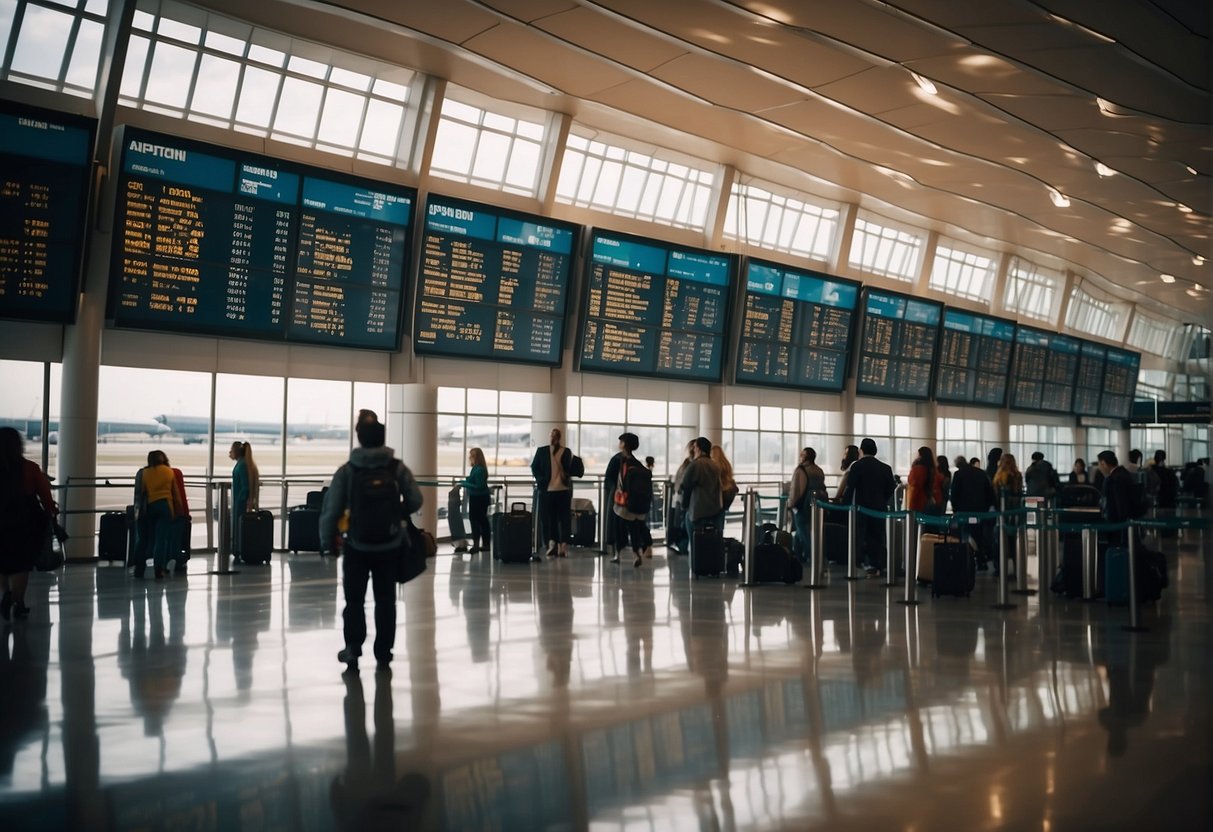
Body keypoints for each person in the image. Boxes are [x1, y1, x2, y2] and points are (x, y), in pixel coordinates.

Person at [321, 419, 423, 673]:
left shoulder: (348, 470)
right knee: (385, 600)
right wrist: (398, 512)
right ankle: (384, 652)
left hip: (356, 545)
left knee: (354, 600)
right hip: (389, 545)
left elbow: (331, 509)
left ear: (360, 439)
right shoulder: (396, 468)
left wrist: (326, 541)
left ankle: (353, 648)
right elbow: (416, 499)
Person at [0, 427, 58, 621]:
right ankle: (19, 603)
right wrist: (51, 509)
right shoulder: (30, 467)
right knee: (21, 565)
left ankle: (6, 594)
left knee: (3, 564)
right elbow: (44, 495)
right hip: (24, 522)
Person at [838, 438, 896, 575]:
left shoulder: (857, 466)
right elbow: (890, 488)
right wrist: (882, 500)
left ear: (861, 450)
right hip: (879, 508)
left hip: (861, 508)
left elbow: (850, 487)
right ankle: (877, 564)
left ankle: (862, 563)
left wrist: (844, 504)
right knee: (878, 537)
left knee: (861, 536)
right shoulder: (886, 468)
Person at [133, 450, 184, 579]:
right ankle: (158, 569)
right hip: (166, 507)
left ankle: (139, 569)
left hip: (149, 508)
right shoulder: (169, 471)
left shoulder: (143, 473)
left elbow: (139, 494)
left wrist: (137, 513)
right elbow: (176, 494)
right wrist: (179, 511)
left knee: (143, 539)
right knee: (161, 540)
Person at [530, 428, 575, 559]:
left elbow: (534, 467)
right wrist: (541, 479)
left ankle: (554, 544)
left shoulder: (548, 451)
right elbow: (535, 467)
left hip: (552, 490)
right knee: (560, 519)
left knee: (551, 519)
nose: (552, 437)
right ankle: (560, 545)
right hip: (558, 490)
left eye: (553, 435)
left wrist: (540, 479)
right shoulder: (561, 451)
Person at [609, 433, 650, 567]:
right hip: (634, 502)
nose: (618, 443)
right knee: (634, 529)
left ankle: (618, 554)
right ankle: (636, 553)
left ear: (624, 444)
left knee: (618, 529)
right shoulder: (637, 463)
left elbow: (614, 479)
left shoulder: (620, 460)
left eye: (620, 441)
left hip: (622, 503)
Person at [680, 437, 722, 563]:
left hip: (697, 509)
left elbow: (685, 485)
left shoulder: (696, 464)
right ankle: (710, 564)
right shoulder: (715, 465)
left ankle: (697, 564)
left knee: (695, 540)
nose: (693, 449)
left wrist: (684, 505)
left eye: (695, 446)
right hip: (714, 509)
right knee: (709, 541)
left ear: (698, 448)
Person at [950, 456, 997, 567]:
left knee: (965, 534)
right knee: (979, 535)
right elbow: (989, 492)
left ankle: (966, 560)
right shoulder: (981, 473)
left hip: (964, 511)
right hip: (980, 510)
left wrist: (955, 509)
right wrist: (988, 507)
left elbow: (954, 494)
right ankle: (981, 560)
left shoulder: (958, 475)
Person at [787, 447, 827, 562]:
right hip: (818, 502)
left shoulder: (800, 470)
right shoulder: (819, 470)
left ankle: (811, 554)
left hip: (803, 503)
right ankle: (798, 554)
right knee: (809, 529)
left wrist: (791, 504)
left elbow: (795, 489)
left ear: (805, 457)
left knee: (802, 528)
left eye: (802, 455)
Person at [1097, 450, 1143, 547]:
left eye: (1099, 464)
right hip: (1126, 523)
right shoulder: (1124, 474)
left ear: (1103, 463)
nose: (1099, 467)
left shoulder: (1115, 478)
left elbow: (1120, 504)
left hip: (1117, 526)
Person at [992, 453, 1023, 575]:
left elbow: (996, 493)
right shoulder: (1017, 475)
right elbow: (1018, 492)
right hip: (1015, 513)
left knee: (999, 540)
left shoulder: (999, 476)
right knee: (1015, 541)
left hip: (1001, 513)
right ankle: (1017, 567)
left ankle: (999, 568)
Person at [229, 441, 260, 559]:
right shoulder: (242, 464)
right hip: (239, 501)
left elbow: (245, 486)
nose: (229, 452)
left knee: (239, 526)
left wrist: (242, 500)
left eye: (231, 450)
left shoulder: (241, 465)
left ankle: (239, 549)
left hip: (240, 502)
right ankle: (239, 548)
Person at [667, 440, 696, 555]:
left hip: (678, 499)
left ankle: (681, 545)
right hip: (685, 500)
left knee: (680, 523)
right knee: (684, 524)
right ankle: (684, 545)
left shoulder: (685, 464)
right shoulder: (691, 465)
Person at [460, 447, 491, 554]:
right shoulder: (477, 468)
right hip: (477, 497)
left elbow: (479, 486)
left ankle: (479, 545)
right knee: (480, 520)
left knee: (478, 521)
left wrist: (464, 483)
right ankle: (481, 544)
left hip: (479, 498)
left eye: (471, 456)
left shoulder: (480, 470)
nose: (470, 458)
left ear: (476, 457)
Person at [906, 447, 943, 515]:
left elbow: (913, 484)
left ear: (920, 455)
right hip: (933, 501)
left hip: (918, 501)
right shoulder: (934, 470)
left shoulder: (917, 469)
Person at [711, 445, 737, 533]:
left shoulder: (713, 466)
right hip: (725, 498)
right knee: (719, 527)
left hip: (715, 498)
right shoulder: (726, 464)